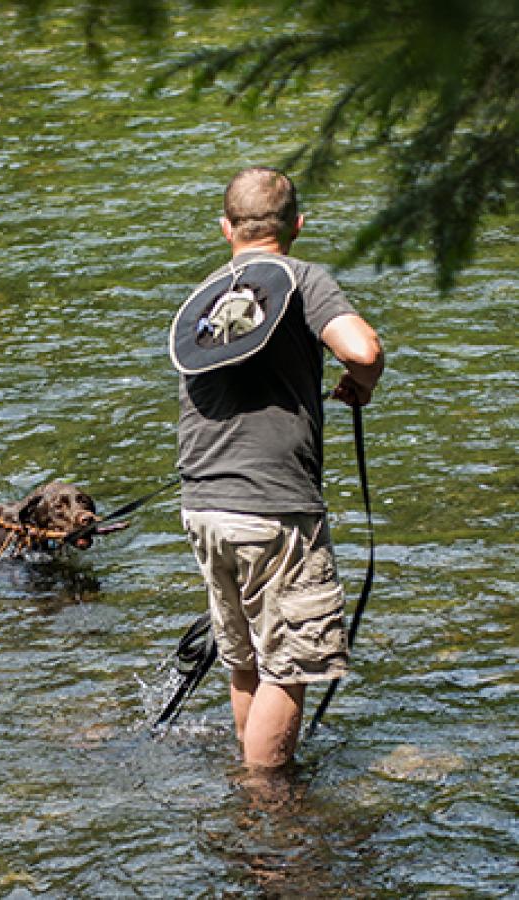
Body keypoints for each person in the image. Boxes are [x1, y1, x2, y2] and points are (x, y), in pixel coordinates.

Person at [173, 166, 384, 768]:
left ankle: (251, 798)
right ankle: (269, 813)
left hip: (202, 504)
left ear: (226, 228)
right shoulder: (302, 279)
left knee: (245, 661)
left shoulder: (207, 295)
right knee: (289, 669)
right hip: (273, 508)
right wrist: (362, 381)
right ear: (297, 224)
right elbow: (361, 348)